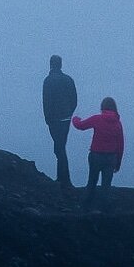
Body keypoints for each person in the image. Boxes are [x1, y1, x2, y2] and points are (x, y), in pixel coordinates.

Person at [72, 97, 124, 200]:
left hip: (96, 156)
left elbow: (80, 126)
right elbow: (120, 145)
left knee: (91, 182)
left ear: (103, 107)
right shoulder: (117, 123)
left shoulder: (97, 119)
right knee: (106, 186)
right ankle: (104, 210)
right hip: (111, 158)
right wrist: (118, 163)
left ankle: (86, 208)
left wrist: (75, 119)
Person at [41, 55, 80, 187]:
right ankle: (62, 178)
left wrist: (48, 118)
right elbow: (74, 99)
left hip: (54, 120)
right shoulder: (68, 79)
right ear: (61, 65)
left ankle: (65, 180)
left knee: (59, 148)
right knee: (60, 146)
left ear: (51, 64)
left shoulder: (48, 80)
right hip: (66, 119)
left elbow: (46, 101)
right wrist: (69, 113)